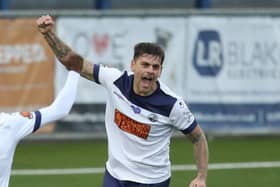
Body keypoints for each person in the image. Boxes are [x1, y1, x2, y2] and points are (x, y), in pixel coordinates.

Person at [37, 15, 208, 187]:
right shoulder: (115, 80)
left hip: (152, 181)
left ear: (161, 71)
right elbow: (73, 62)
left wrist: (201, 177)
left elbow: (198, 137)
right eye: (145, 64)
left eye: (155, 67)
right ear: (133, 64)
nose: (150, 71)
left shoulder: (172, 104)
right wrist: (48, 35)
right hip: (115, 176)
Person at [0, 70, 80, 187]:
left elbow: (60, 109)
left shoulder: (8, 124)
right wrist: (75, 71)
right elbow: (60, 109)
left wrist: (75, 71)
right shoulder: (8, 124)